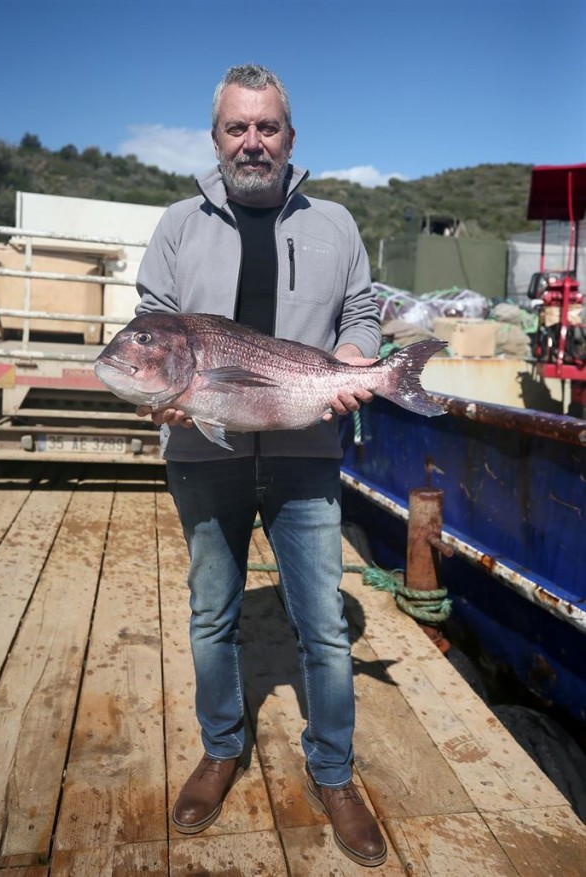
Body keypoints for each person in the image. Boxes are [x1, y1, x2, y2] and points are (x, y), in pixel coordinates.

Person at [135, 63, 387, 868]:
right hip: (200, 453)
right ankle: (219, 748)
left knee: (323, 622)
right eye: (237, 127)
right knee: (213, 612)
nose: (252, 141)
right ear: (215, 139)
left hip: (307, 448)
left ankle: (335, 771)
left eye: (266, 127)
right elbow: (148, 323)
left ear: (289, 137)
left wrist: (357, 355)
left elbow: (364, 306)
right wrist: (161, 393)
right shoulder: (177, 223)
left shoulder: (337, 222)